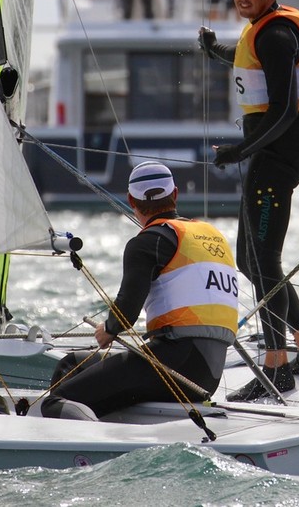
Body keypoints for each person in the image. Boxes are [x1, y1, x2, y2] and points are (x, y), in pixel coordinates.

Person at [196, 0, 299, 401]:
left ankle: (277, 366)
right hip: (272, 153)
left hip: (278, 153)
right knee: (251, 258)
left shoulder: (275, 35)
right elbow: (245, 59)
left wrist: (241, 150)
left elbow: (286, 109)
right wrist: (215, 48)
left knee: (263, 259)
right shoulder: (264, 30)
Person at [41, 161, 239, 420]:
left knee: (56, 402)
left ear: (131, 201)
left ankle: (85, 450)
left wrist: (108, 329)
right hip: (209, 374)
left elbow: (126, 313)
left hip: (174, 365)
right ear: (175, 194)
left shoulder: (145, 243)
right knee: (70, 365)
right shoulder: (213, 235)